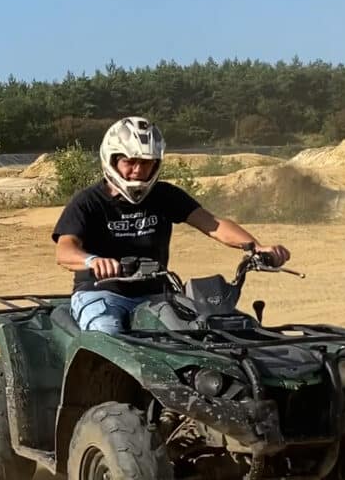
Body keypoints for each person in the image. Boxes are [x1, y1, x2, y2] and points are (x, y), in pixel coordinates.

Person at [51, 116, 291, 334]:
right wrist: (92, 261)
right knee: (108, 335)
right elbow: (65, 250)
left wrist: (256, 247)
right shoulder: (88, 201)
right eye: (129, 161)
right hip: (102, 294)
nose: (138, 170)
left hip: (157, 295)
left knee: (207, 333)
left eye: (146, 162)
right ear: (112, 160)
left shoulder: (164, 195)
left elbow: (213, 224)